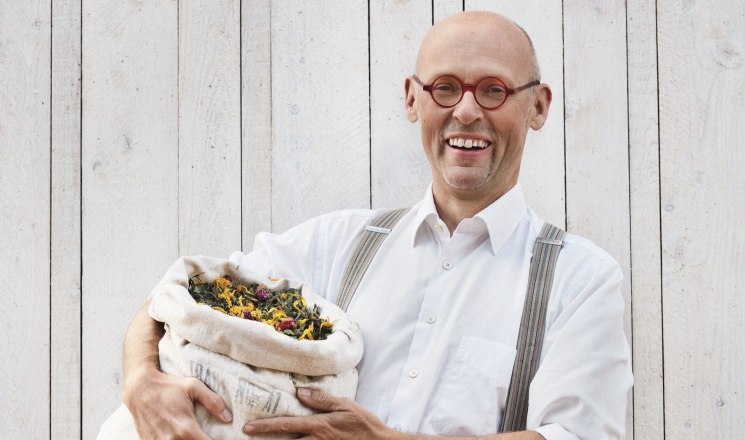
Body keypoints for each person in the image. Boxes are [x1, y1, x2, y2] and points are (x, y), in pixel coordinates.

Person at [121, 10, 632, 440]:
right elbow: (182, 294)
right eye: (445, 88)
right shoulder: (338, 243)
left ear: (538, 106)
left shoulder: (580, 279)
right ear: (413, 99)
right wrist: (141, 377)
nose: (467, 112)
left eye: (494, 90)